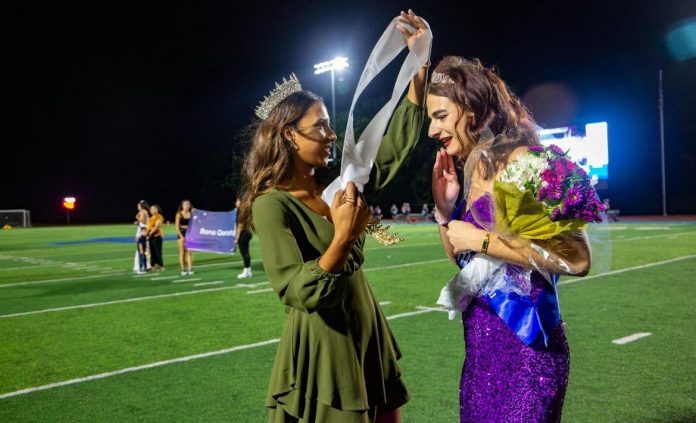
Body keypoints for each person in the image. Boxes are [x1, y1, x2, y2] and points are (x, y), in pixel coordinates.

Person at [237, 10, 429, 422]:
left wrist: (419, 63)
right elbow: (295, 290)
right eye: (320, 126)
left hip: (364, 324)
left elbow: (391, 149)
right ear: (290, 134)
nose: (330, 134)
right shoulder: (272, 203)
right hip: (325, 342)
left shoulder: (337, 185)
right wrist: (342, 238)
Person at [426, 56, 592, 421]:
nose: (431, 130)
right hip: (480, 354)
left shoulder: (530, 162)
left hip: (528, 351)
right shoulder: (475, 167)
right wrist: (444, 211)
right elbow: (464, 262)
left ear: (470, 107)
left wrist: (483, 240)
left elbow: (577, 259)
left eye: (439, 116)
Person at [234, 198, 253, 279]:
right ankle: (248, 271)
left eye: (237, 201)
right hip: (248, 232)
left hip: (243, 234)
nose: (236, 203)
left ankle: (246, 271)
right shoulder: (244, 211)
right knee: (246, 252)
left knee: (244, 253)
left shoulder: (241, 212)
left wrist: (237, 238)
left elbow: (240, 226)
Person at [175, 199, 194, 276]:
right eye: (185, 204)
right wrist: (181, 236)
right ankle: (183, 269)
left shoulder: (191, 214)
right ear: (182, 206)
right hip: (181, 234)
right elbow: (177, 227)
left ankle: (190, 268)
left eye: (188, 204)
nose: (187, 206)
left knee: (189, 252)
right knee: (182, 253)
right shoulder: (179, 214)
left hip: (190, 234)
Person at [133, 200, 150, 272]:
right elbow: (144, 222)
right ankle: (146, 266)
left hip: (142, 233)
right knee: (145, 250)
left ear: (142, 206)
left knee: (141, 250)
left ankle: (141, 266)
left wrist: (137, 217)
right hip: (144, 231)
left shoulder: (143, 211)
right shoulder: (145, 211)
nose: (138, 207)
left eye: (138, 206)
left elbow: (142, 221)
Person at [146, 204, 165, 271]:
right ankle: (153, 265)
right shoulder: (151, 218)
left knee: (157, 252)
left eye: (154, 209)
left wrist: (149, 234)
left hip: (157, 237)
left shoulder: (159, 217)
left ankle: (161, 265)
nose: (152, 210)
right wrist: (146, 234)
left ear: (157, 209)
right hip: (151, 237)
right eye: (151, 209)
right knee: (152, 252)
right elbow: (148, 227)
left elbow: (156, 227)